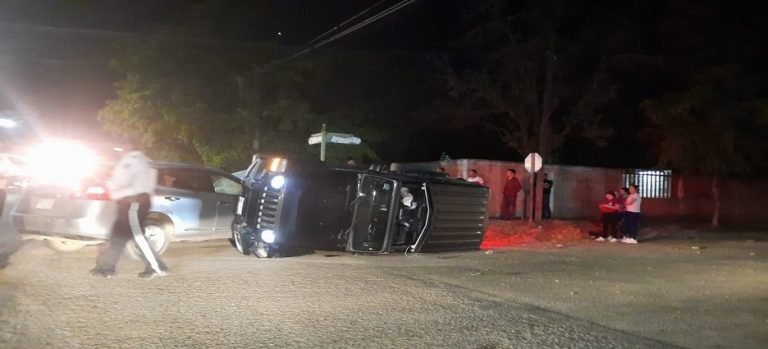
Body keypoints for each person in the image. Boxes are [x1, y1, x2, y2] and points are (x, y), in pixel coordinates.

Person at [90, 143, 168, 278]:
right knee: (117, 236)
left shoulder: (131, 160)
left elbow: (120, 181)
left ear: (127, 146)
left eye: (121, 146)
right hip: (137, 202)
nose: (119, 150)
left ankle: (157, 267)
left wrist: (105, 181)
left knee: (137, 236)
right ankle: (107, 268)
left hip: (132, 204)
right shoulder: (147, 161)